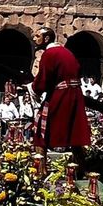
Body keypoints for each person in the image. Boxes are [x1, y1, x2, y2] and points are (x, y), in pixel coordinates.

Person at [28, 26, 91, 155]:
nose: (34, 39)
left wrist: (33, 87)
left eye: (37, 36)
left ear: (46, 38)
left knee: (40, 131)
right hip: (75, 94)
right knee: (74, 134)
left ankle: (40, 170)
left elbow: (43, 78)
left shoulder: (49, 53)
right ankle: (80, 168)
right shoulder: (67, 52)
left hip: (61, 94)